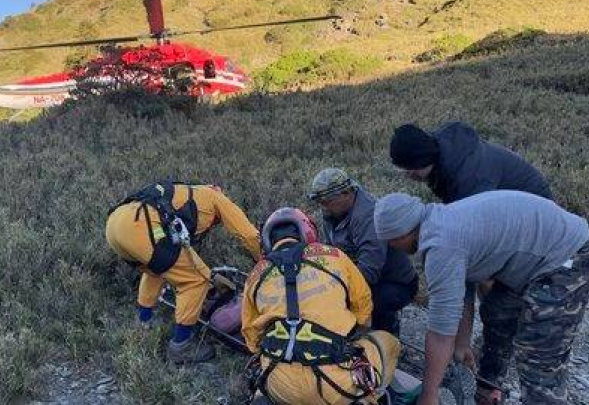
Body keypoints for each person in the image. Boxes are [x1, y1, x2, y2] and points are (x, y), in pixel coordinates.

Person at [373, 191, 589, 405]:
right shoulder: (439, 220)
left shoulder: (441, 245)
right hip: (537, 256)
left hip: (570, 255)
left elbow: (441, 332)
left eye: (390, 241)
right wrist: (462, 344)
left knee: (538, 354)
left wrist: (429, 394)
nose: (392, 248)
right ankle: (488, 391)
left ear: (401, 233)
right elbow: (461, 290)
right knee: (497, 314)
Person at [242, 207, 400, 405]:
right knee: (387, 341)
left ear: (267, 240)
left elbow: (251, 338)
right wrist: (354, 331)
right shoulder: (335, 256)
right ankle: (366, 398)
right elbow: (364, 306)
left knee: (264, 368)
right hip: (335, 386)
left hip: (279, 385)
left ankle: (262, 395)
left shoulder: (255, 275)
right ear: (307, 231)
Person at [106, 180, 261, 363]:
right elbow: (250, 236)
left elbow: (180, 256)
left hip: (115, 226)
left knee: (156, 270)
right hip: (143, 227)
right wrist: (265, 262)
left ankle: (143, 324)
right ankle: (181, 346)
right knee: (195, 282)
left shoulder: (185, 194)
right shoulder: (217, 199)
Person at [308, 168, 419, 336]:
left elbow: (369, 272)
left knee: (371, 302)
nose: (323, 207)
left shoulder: (369, 217)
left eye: (326, 202)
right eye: (319, 202)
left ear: (346, 194)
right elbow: (332, 254)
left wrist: (336, 290)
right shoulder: (333, 211)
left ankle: (387, 336)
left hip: (394, 283)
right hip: (359, 274)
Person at [389, 121, 552, 204]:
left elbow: (478, 223)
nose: (407, 175)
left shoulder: (471, 177)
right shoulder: (444, 156)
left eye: (409, 169)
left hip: (536, 208)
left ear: (423, 160)